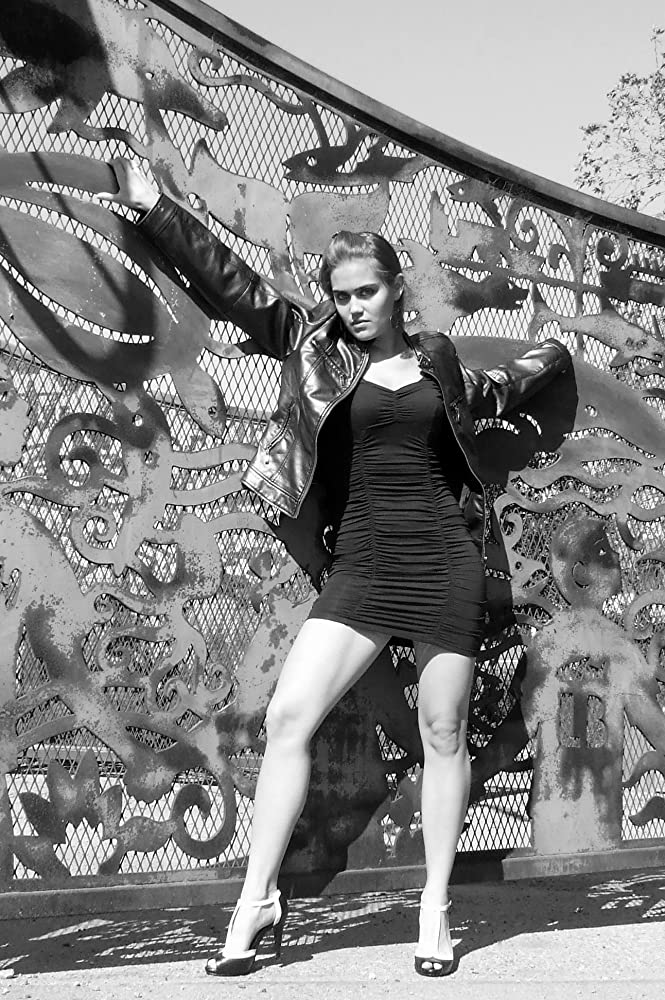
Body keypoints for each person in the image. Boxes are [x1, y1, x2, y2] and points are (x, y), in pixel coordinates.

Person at [96, 158, 572, 978]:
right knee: (288, 719)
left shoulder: (437, 361)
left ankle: (433, 909)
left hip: (444, 562)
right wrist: (152, 206)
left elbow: (495, 391)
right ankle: (256, 900)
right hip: (360, 567)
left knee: (442, 733)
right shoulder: (312, 346)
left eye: (366, 292)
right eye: (341, 295)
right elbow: (236, 290)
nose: (353, 307)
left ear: (395, 290)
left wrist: (554, 355)